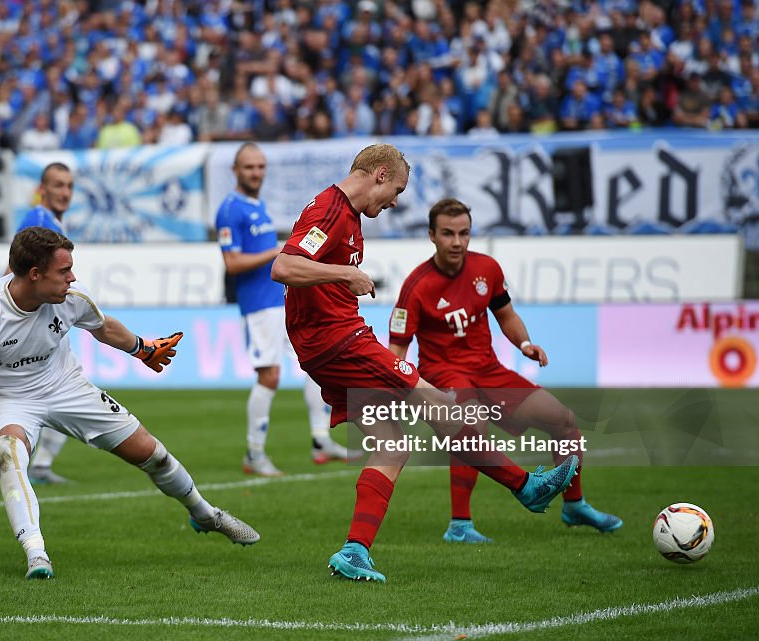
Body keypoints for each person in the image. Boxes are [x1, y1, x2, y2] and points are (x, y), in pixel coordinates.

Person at [270, 144, 578, 583]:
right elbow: (283, 266)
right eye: (395, 190)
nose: (395, 201)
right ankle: (524, 485)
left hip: (332, 343)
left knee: (393, 445)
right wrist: (345, 274)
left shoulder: (347, 216)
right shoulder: (329, 210)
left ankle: (354, 551)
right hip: (340, 342)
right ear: (379, 175)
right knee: (441, 405)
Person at [0, 227, 260, 579]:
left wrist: (142, 349)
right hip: (5, 400)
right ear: (35, 274)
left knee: (153, 454)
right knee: (9, 452)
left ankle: (205, 513)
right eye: (64, 270)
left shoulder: (71, 297)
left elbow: (102, 326)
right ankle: (36, 553)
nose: (72, 277)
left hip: (64, 385)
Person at [388, 198, 622, 544]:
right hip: (444, 372)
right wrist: (401, 390)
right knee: (470, 428)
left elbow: (506, 315)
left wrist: (525, 344)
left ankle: (574, 505)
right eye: (448, 234)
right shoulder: (416, 286)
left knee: (565, 422)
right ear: (431, 236)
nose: (457, 241)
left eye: (464, 233)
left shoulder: (488, 269)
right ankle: (460, 524)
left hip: (488, 369)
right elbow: (397, 348)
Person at [216, 143, 360, 477]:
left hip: (280, 302)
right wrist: (276, 253)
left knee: (315, 364)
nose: (256, 173)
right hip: (257, 306)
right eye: (249, 167)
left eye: (261, 166)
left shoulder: (257, 205)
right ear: (235, 171)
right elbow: (232, 262)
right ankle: (254, 453)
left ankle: (321, 439)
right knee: (270, 375)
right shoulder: (230, 210)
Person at [12, 162, 76, 484]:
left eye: (69, 186)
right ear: (43, 188)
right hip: (36, 317)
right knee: (65, 384)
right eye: (58, 185)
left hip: (48, 313)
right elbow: (17, 268)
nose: (64, 192)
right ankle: (39, 464)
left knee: (65, 382)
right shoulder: (38, 220)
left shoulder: (50, 221)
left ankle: (40, 464)